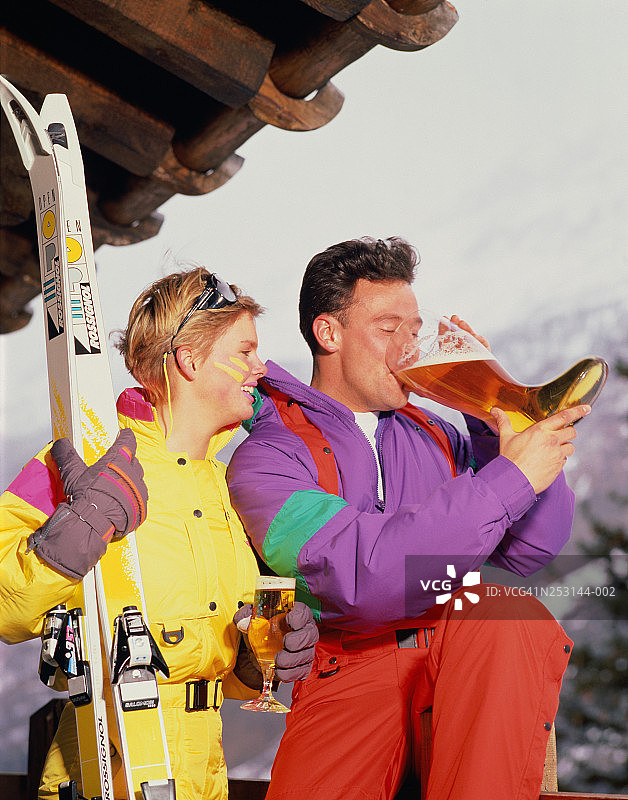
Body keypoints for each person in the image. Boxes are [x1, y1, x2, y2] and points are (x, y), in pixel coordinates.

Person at [226, 237, 590, 800]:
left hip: (456, 663)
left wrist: (494, 422)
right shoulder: (271, 459)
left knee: (501, 611)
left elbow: (530, 550)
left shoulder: (441, 435)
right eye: (387, 326)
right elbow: (362, 575)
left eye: (414, 329)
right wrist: (511, 479)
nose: (407, 346)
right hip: (345, 670)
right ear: (329, 333)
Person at [0, 267, 318, 800]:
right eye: (245, 351)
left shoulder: (231, 485)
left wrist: (264, 652)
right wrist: (83, 522)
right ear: (190, 360)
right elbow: (5, 609)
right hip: (108, 766)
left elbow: (223, 652)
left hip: (202, 770)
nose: (261, 368)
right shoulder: (86, 459)